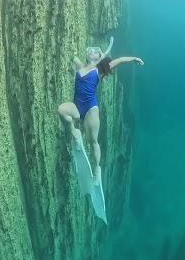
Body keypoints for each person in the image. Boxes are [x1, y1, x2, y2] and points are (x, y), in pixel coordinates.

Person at [57, 37, 144, 185]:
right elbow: (71, 53)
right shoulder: (80, 66)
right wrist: (68, 44)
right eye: (90, 50)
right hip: (77, 106)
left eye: (96, 51)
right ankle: (75, 133)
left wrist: (134, 58)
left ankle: (97, 170)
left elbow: (121, 60)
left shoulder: (99, 70)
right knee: (61, 110)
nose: (92, 51)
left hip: (91, 108)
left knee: (93, 142)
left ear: (99, 56)